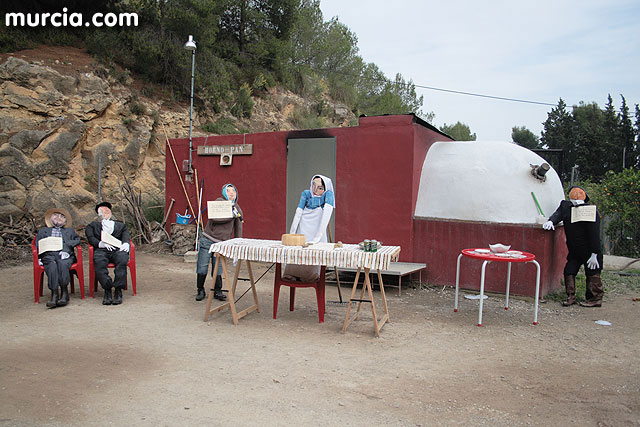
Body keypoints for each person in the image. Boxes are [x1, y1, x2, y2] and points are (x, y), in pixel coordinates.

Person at [543, 186, 604, 307]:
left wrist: (595, 253)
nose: (576, 196)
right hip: (574, 249)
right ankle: (570, 296)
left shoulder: (590, 211)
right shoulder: (566, 207)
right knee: (569, 270)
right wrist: (551, 221)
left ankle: (595, 298)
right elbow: (558, 214)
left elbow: (594, 234)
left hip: (589, 250)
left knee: (592, 272)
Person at [195, 183, 243, 301]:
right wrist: (231, 215)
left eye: (233, 191)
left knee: (218, 268)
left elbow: (238, 227)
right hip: (208, 240)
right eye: (228, 190)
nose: (231, 193)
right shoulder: (219, 202)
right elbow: (215, 218)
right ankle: (200, 289)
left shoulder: (236, 208)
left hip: (222, 244)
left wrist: (238, 243)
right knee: (202, 266)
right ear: (224, 193)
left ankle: (217, 291)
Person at [285, 174, 335, 281]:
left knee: (315, 251)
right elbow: (299, 211)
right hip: (304, 225)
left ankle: (311, 276)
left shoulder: (327, 195)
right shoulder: (306, 194)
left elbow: (327, 212)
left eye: (320, 188)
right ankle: (291, 273)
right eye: (314, 186)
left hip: (318, 226)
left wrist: (318, 236)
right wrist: (292, 232)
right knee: (299, 249)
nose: (315, 190)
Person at [85, 202, 131, 306]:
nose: (105, 212)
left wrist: (125, 243)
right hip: (102, 250)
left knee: (122, 259)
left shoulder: (120, 225)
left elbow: (125, 236)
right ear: (98, 214)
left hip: (117, 249)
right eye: (102, 210)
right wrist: (100, 244)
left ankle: (118, 289)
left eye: (107, 210)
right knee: (99, 262)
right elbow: (90, 238)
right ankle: (107, 288)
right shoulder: (92, 226)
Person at [35, 208, 81, 309]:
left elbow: (77, 240)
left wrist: (66, 247)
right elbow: (37, 245)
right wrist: (38, 257)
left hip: (65, 255)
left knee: (62, 264)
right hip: (49, 255)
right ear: (50, 218)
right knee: (51, 265)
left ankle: (64, 293)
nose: (58, 218)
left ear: (65, 221)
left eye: (62, 217)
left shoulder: (69, 231)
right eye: (55, 215)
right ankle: (54, 294)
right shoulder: (43, 231)